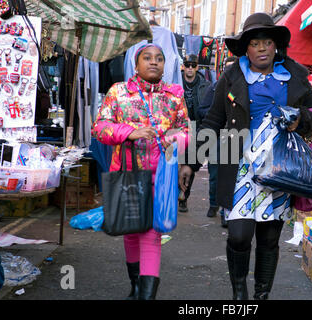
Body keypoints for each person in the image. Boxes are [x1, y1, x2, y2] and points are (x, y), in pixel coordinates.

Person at [179, 12, 312, 300]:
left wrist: (300, 119)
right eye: (255, 43)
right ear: (246, 49)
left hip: (280, 166)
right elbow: (212, 121)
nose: (262, 48)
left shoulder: (294, 75)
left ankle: (261, 296)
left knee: (269, 238)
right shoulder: (231, 76)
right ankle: (240, 295)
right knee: (239, 236)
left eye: (267, 42)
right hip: (238, 161)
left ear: (276, 46)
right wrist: (192, 162)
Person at [92, 44, 190, 300]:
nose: (154, 62)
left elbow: (186, 131)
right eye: (147, 58)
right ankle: (135, 286)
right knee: (132, 229)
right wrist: (129, 132)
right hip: (128, 174)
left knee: (151, 233)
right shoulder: (118, 93)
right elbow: (99, 128)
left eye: (159, 58)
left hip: (162, 176)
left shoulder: (174, 95)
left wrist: (175, 139)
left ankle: (146, 295)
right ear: (136, 65)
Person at [198, 55, 239, 224]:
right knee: (215, 174)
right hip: (216, 137)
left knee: (232, 176)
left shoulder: (244, 89)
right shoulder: (215, 88)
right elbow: (202, 110)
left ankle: (225, 213)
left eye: (233, 68)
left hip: (235, 139)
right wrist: (218, 117)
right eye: (228, 69)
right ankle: (214, 204)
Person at [179, 54, 212, 213]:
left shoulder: (205, 85)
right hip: (179, 128)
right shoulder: (176, 82)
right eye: (187, 64)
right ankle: (173, 194)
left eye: (193, 65)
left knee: (190, 163)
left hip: (197, 128)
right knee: (174, 164)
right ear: (183, 66)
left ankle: (184, 196)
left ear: (197, 67)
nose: (190, 68)